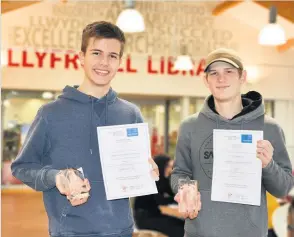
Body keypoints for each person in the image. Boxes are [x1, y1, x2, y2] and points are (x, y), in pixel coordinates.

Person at [11, 21, 159, 237]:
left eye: (112, 56)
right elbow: (22, 167)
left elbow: (135, 170)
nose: (104, 62)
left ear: (120, 62)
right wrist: (56, 177)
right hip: (70, 232)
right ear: (81, 57)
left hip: (121, 231)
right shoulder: (51, 114)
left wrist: (146, 170)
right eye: (96, 53)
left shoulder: (130, 114)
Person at [171, 48, 293, 237]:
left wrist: (268, 164)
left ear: (242, 77)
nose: (221, 79)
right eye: (214, 73)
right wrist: (185, 187)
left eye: (229, 72)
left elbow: (283, 188)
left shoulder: (269, 128)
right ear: (206, 80)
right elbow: (180, 172)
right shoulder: (190, 126)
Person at [134, 154, 185, 237]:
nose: (170, 169)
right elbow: (161, 201)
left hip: (155, 214)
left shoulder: (163, 179)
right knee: (179, 229)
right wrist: (176, 199)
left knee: (182, 224)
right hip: (145, 218)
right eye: (168, 166)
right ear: (161, 165)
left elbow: (172, 194)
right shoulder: (152, 180)